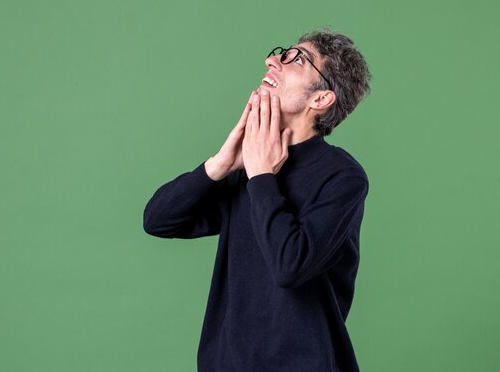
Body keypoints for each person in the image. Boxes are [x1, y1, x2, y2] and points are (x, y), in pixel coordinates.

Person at [143, 28, 372, 372]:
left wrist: (262, 176)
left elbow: (290, 266)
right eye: (281, 52)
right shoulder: (245, 164)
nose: (272, 61)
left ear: (321, 99)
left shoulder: (343, 177)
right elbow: (158, 220)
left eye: (298, 59)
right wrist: (219, 164)